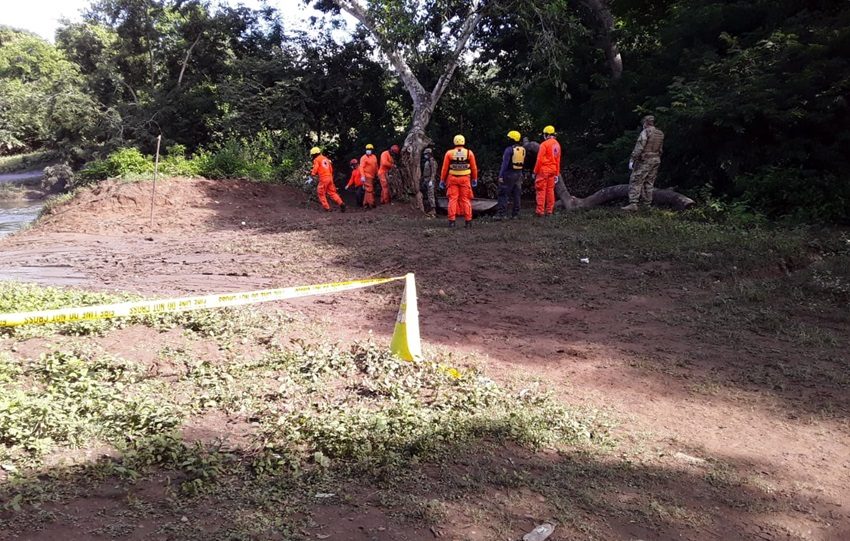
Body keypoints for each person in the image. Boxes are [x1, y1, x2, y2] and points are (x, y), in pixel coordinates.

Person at [623, 115, 665, 211]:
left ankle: (633, 203)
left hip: (645, 160)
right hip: (656, 160)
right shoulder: (660, 133)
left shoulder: (646, 132)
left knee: (636, 180)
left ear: (645, 123)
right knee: (649, 182)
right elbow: (660, 150)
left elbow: (639, 147)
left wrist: (632, 159)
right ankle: (647, 205)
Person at [439, 134, 478, 228]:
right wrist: (475, 178)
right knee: (465, 199)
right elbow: (474, 167)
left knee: (452, 199)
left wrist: (442, 180)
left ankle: (452, 222)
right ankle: (468, 222)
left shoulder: (449, 153)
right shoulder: (469, 153)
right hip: (465, 179)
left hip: (452, 179)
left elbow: (444, 169)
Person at [533, 125, 561, 217]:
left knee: (541, 190)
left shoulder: (544, 144)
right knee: (550, 191)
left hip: (543, 170)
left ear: (546, 134)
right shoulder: (557, 144)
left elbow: (539, 159)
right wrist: (556, 173)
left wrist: (535, 171)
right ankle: (549, 211)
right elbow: (558, 160)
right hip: (553, 170)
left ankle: (540, 211)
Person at [497, 130, 526, 219]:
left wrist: (501, 176)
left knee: (503, 194)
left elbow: (504, 164)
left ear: (512, 139)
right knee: (517, 195)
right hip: (519, 174)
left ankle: (502, 214)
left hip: (509, 173)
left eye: (509, 138)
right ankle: (515, 214)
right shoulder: (523, 149)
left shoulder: (509, 150)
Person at [310, 147, 345, 212]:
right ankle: (341, 203)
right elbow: (331, 169)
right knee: (332, 192)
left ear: (314, 154)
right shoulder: (325, 159)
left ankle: (327, 208)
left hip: (324, 178)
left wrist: (312, 174)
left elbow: (315, 168)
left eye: (312, 155)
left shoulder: (316, 160)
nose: (312, 156)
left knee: (320, 192)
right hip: (330, 177)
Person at [360, 143, 379, 209]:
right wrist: (362, 176)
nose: (368, 150)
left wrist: (377, 174)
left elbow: (376, 166)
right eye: (367, 149)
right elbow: (361, 167)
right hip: (366, 176)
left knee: (367, 190)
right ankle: (372, 203)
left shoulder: (374, 157)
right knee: (369, 189)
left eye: (370, 149)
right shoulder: (363, 158)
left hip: (372, 176)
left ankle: (365, 204)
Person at [420, 147, 437, 217]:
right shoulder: (427, 161)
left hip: (430, 179)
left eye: (426, 154)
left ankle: (433, 210)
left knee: (431, 195)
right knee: (426, 194)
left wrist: (431, 180)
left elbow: (433, 172)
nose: (425, 155)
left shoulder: (432, 161)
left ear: (429, 154)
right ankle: (428, 209)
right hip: (426, 179)